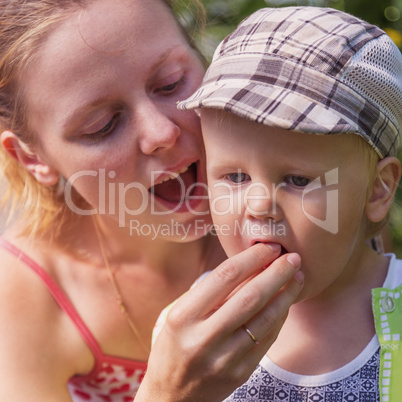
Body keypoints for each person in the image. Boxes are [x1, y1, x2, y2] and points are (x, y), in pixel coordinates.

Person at [0, 1, 305, 401]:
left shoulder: (304, 197)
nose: (160, 132)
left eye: (170, 83)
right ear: (33, 159)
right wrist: (168, 392)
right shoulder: (25, 294)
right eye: (102, 126)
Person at [176, 6, 402, 401]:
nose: (260, 205)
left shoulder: (396, 317)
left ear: (377, 191)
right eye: (235, 177)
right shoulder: (200, 321)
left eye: (298, 180)